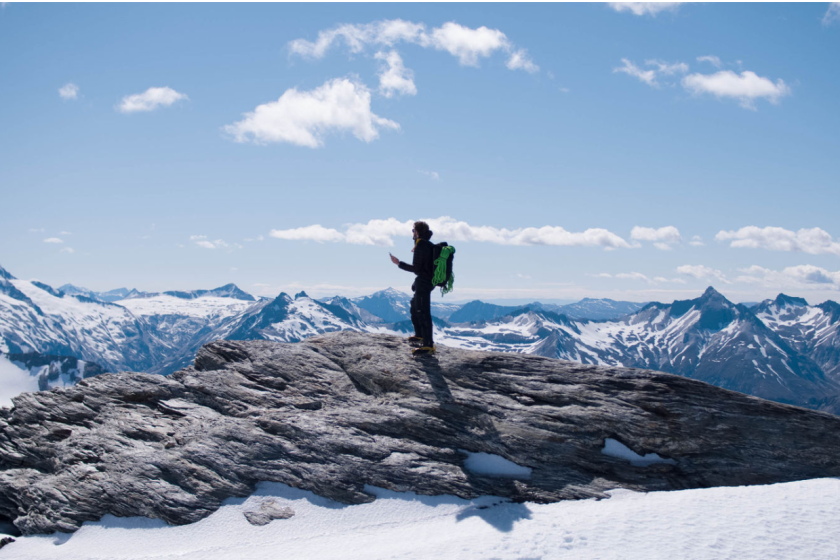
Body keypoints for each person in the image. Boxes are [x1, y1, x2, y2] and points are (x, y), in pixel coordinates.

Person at [389, 221, 435, 355]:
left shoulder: (421, 245)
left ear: (417, 232)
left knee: (423, 311)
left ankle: (428, 345)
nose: (412, 233)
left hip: (424, 282)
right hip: (426, 282)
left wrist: (399, 263)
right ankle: (420, 335)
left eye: (413, 230)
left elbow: (417, 269)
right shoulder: (427, 245)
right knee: (415, 306)